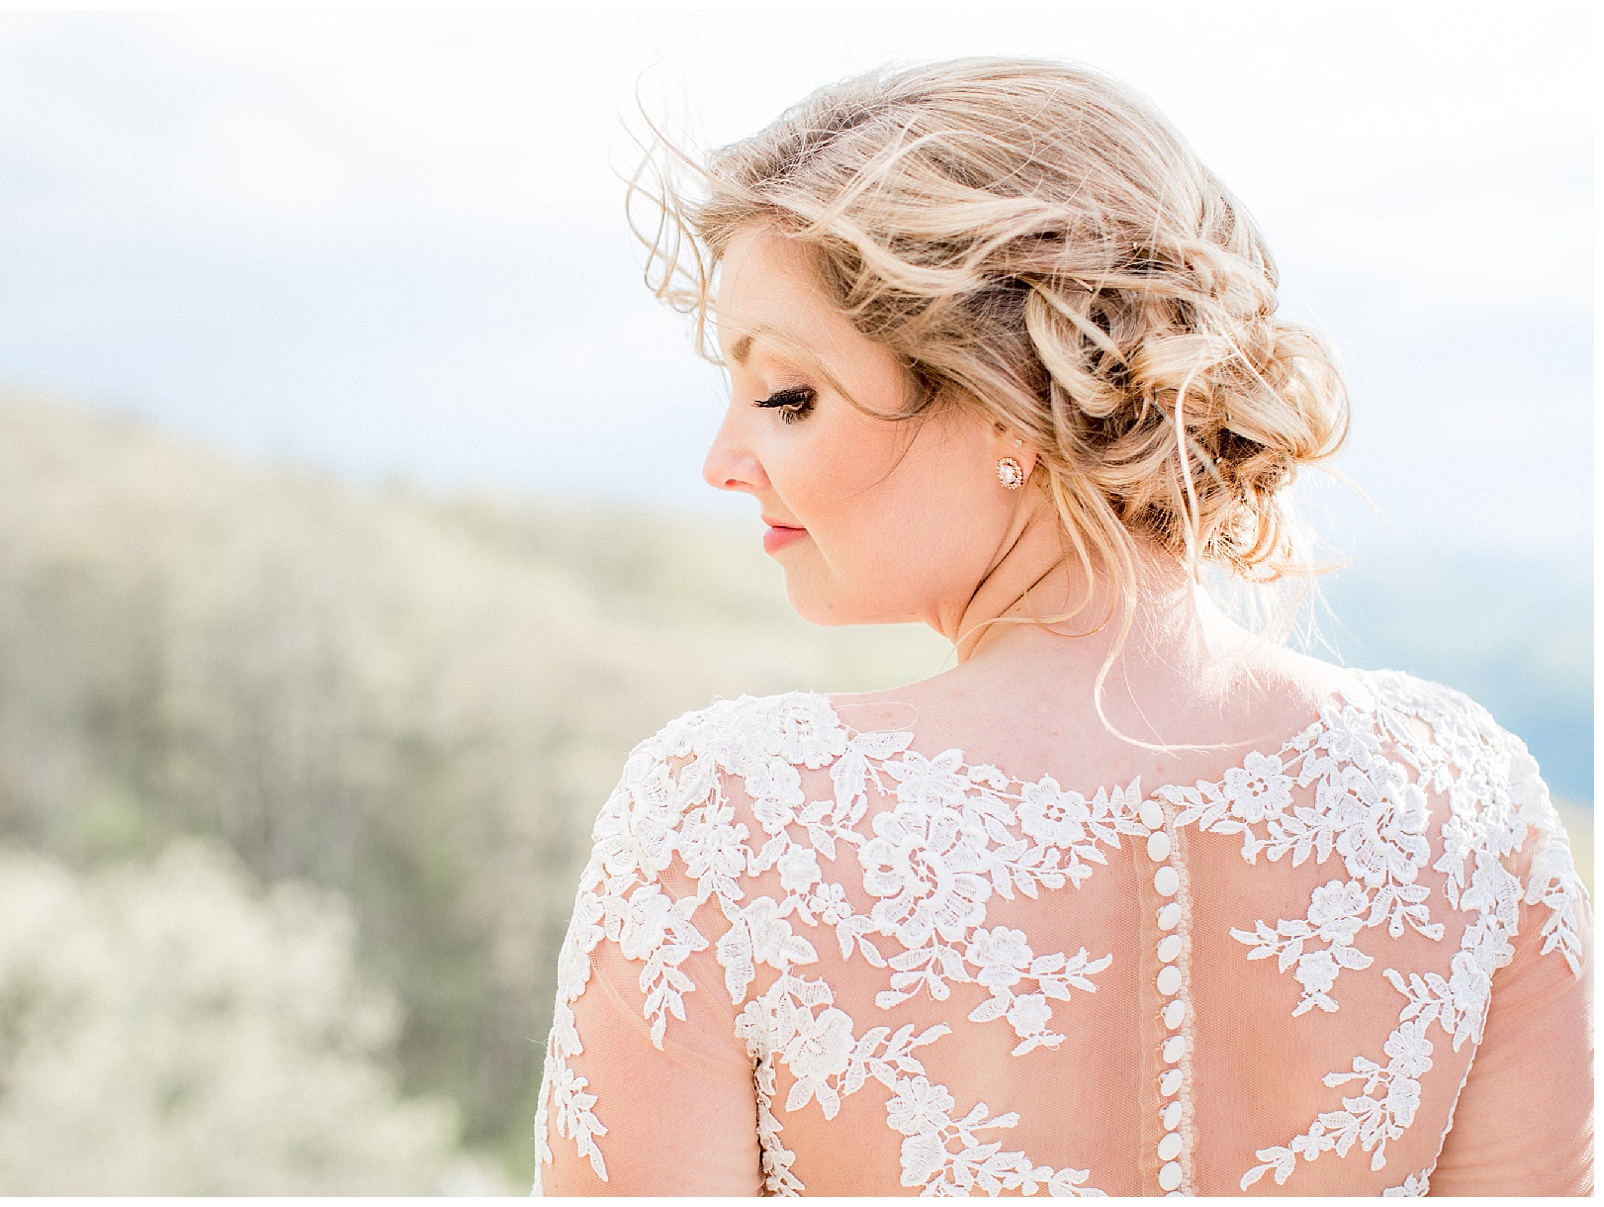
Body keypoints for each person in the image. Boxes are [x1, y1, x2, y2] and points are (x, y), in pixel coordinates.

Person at [531, 58, 1592, 1196]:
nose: (723, 462)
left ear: (1007, 400)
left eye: (789, 395)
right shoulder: (1471, 801)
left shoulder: (722, 820)